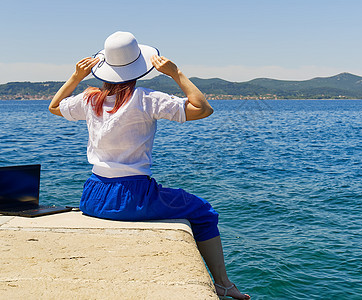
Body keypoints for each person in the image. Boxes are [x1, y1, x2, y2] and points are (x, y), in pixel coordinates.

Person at [48, 31, 250, 299]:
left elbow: (54, 106)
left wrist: (76, 77)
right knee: (204, 212)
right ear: (138, 69)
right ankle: (223, 284)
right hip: (132, 198)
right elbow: (203, 109)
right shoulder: (145, 98)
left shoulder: (90, 99)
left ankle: (223, 284)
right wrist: (176, 74)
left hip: (93, 196)